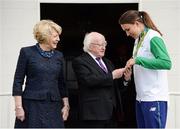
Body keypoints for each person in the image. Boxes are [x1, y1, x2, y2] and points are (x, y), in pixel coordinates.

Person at [119, 10, 172, 128]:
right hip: (141, 98)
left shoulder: (153, 36)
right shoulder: (138, 40)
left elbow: (166, 63)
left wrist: (138, 60)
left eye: (128, 29)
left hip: (154, 98)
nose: (127, 34)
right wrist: (129, 74)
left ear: (137, 23)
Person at [12, 20, 70, 128]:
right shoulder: (27, 52)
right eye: (55, 36)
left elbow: (62, 83)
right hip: (32, 106)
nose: (58, 39)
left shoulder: (59, 55)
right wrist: (18, 107)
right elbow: (18, 80)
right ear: (45, 36)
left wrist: (66, 105)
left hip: (54, 106)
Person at [72, 32, 131, 128]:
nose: (103, 47)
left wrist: (126, 79)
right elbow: (88, 80)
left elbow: (115, 86)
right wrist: (112, 75)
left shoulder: (108, 62)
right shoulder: (80, 61)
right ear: (90, 46)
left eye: (105, 44)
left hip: (112, 113)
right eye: (100, 45)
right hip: (93, 114)